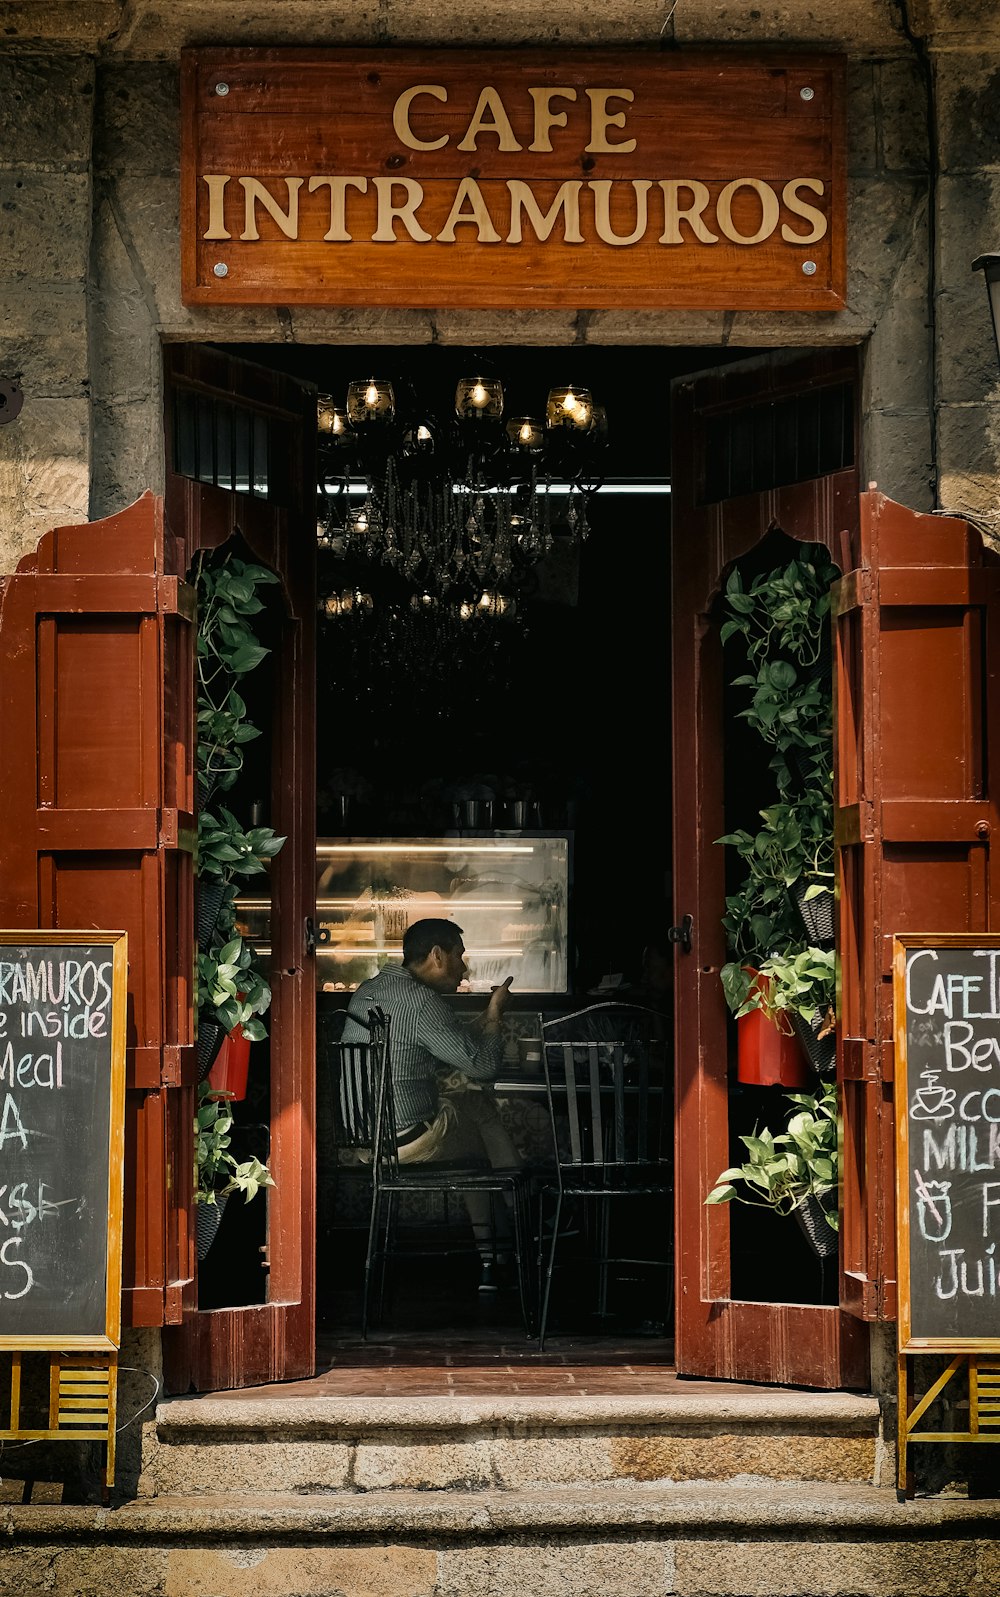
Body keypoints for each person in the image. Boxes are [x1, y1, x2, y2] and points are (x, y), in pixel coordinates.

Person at [341, 917, 521, 1289]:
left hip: (364, 1143)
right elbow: (483, 1067)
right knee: (479, 1114)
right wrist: (493, 1014)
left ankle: (500, 1247)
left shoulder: (367, 991)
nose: (464, 968)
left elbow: (439, 1043)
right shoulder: (423, 1002)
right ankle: (517, 1228)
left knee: (470, 1119)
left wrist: (478, 1024)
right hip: (406, 1142)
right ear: (437, 955)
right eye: (459, 956)